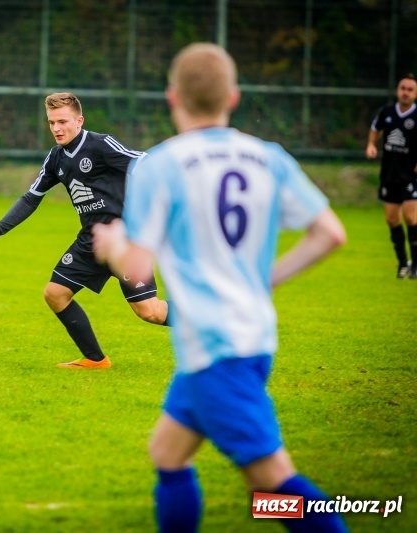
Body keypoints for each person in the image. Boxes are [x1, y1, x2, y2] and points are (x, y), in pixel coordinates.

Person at [92, 43, 348, 532]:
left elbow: (137, 263)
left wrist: (110, 246)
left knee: (272, 484)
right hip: (243, 339)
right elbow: (331, 234)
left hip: (217, 348)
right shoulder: (267, 157)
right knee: (167, 453)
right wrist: (265, 278)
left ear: (172, 97)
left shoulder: (160, 165)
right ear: (233, 97)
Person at [0, 92, 169, 369]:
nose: (56, 128)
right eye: (51, 122)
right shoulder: (56, 158)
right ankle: (96, 360)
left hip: (123, 240)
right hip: (90, 240)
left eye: (62, 121)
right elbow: (31, 198)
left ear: (79, 120)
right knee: (55, 294)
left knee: (149, 312)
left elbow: (143, 162)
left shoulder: (101, 145)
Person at [366, 73, 417, 278]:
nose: (405, 92)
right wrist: (371, 145)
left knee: (411, 216)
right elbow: (374, 128)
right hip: (389, 175)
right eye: (402, 88)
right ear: (398, 90)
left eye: (410, 89)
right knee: (391, 219)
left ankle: (415, 266)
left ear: (415, 93)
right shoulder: (386, 112)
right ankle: (403, 264)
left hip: (411, 175)